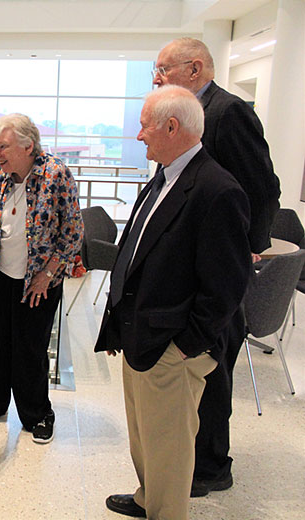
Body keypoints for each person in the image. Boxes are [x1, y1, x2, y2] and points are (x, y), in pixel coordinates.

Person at [96, 86, 252, 520]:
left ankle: (167, 512)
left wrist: (186, 346)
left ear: (171, 126)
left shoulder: (217, 190)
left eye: (145, 125)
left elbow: (226, 285)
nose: (139, 135)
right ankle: (150, 498)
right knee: (145, 437)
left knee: (169, 445)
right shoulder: (164, 177)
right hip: (139, 335)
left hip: (171, 347)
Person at [152, 37, 281, 497]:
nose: (157, 77)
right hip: (194, 266)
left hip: (217, 268)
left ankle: (209, 466)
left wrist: (248, 246)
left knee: (213, 365)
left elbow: (264, 187)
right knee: (198, 369)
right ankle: (194, 457)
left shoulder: (227, 112)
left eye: (164, 69)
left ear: (195, 68)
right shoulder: (188, 113)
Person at [0, 113, 83, 444]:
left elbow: (73, 231)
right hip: (5, 275)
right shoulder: (2, 177)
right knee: (0, 344)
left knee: (31, 350)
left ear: (28, 146)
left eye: (3, 147)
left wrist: (48, 275)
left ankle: (38, 414)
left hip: (39, 280)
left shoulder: (55, 174)